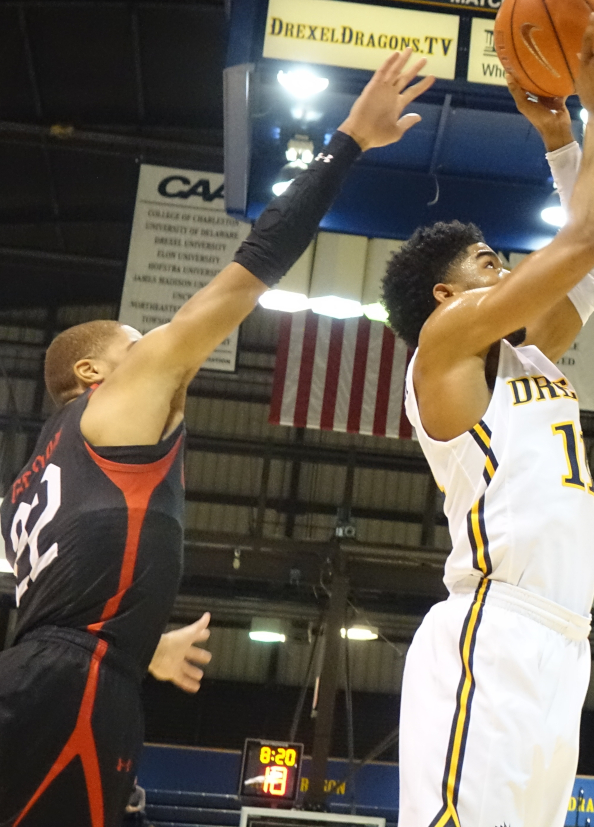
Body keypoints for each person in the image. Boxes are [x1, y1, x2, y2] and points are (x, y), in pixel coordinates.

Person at [0, 51, 433, 827]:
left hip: (68, 675)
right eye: (141, 344)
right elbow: (248, 271)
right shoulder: (120, 397)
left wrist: (135, 646)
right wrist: (348, 143)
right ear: (95, 369)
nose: (163, 353)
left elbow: (68, 602)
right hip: (77, 686)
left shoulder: (32, 478)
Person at [384, 11, 594, 827]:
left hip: (564, 641)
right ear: (447, 296)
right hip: (490, 631)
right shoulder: (445, 345)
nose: (506, 271)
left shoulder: (531, 354)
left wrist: (562, 139)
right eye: (487, 264)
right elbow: (586, 235)